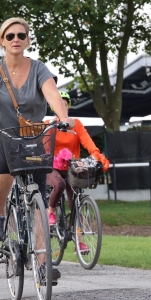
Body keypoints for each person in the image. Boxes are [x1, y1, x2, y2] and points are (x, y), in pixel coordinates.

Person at [0, 17, 75, 280]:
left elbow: (52, 94)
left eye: (21, 35)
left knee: (39, 196)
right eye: (10, 36)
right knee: (4, 166)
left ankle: (43, 265)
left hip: (31, 139)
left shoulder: (40, 69)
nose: (16, 39)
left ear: (27, 40)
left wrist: (62, 117)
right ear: (2, 41)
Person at [46, 91, 110, 254]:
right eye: (60, 104)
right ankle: (51, 212)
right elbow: (44, 145)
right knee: (58, 185)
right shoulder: (50, 124)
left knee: (75, 202)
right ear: (54, 107)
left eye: (65, 104)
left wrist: (97, 155)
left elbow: (87, 142)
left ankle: (79, 243)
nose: (63, 107)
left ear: (68, 106)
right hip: (52, 166)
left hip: (71, 166)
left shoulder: (76, 124)